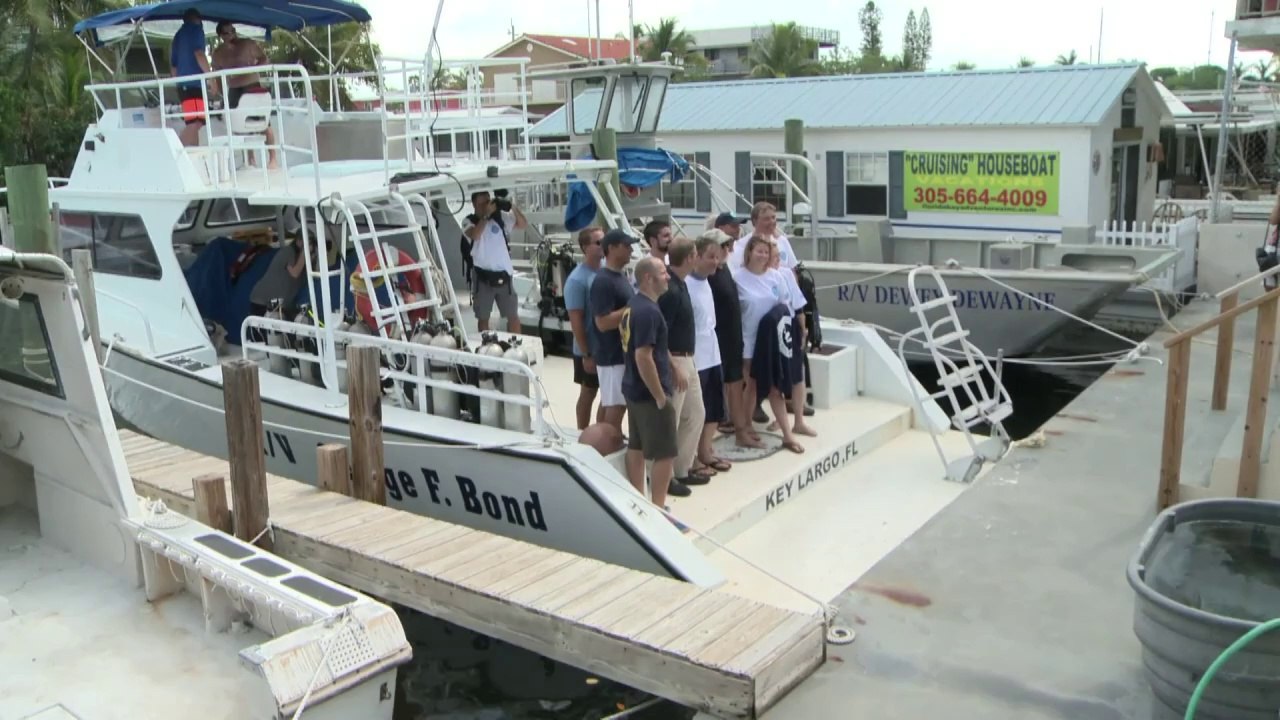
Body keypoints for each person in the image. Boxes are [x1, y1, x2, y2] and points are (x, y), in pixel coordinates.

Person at [734, 235, 804, 454]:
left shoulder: (776, 277)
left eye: (766, 252)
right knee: (752, 386)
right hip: (749, 340)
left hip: (773, 342)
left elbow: (785, 306)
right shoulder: (737, 277)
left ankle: (788, 435)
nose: (763, 255)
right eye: (759, 251)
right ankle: (745, 427)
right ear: (749, 252)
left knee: (776, 388)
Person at [621, 256, 678, 508]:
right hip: (648, 394)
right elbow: (643, 355)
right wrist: (660, 396)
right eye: (663, 272)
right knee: (665, 453)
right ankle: (658, 509)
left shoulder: (633, 305)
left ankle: (640, 504)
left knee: (637, 444)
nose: (668, 277)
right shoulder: (649, 312)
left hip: (632, 389)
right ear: (648, 278)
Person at [658, 237, 706, 496]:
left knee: (696, 413)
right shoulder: (671, 290)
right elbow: (660, 330)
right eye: (696, 254)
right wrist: (672, 365)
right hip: (676, 359)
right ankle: (664, 478)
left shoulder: (681, 285)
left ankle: (681, 469)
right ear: (689, 258)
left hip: (688, 357)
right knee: (672, 419)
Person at [688, 231, 731, 476]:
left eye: (718, 257)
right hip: (696, 358)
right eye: (710, 257)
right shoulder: (686, 285)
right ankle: (692, 456)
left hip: (713, 354)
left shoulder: (707, 282)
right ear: (696, 257)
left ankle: (706, 451)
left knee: (715, 408)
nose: (716, 262)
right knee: (696, 412)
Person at [211, 20, 279, 169]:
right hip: (234, 90)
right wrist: (222, 95)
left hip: (252, 86)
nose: (230, 35)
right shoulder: (218, 53)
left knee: (264, 124)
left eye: (232, 31)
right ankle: (251, 160)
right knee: (241, 125)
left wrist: (253, 69)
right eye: (226, 33)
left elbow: (264, 58)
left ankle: (273, 158)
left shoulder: (248, 44)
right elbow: (216, 74)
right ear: (220, 35)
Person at [589, 228, 637, 431]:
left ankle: (600, 441)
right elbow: (602, 322)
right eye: (626, 246)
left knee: (611, 402)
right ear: (612, 248)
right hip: (612, 356)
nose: (631, 250)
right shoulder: (603, 281)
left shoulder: (619, 277)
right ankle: (608, 443)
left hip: (620, 354)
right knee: (616, 406)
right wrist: (635, 308)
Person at [769, 240, 816, 437]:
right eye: (774, 256)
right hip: (771, 331)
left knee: (798, 376)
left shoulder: (787, 274)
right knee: (777, 379)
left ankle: (799, 421)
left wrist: (803, 331)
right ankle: (780, 420)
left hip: (790, 328)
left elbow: (798, 306)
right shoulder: (759, 277)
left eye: (779, 256)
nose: (777, 260)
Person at [462, 190, 526, 333]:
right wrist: (486, 216)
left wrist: (511, 206)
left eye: (488, 201)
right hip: (482, 277)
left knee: (513, 316)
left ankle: (516, 345)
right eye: (482, 203)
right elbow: (475, 235)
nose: (486, 205)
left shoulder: (500, 218)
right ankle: (486, 346)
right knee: (483, 317)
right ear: (474, 204)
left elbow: (522, 225)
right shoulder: (468, 221)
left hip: (504, 275)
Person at [707, 228, 749, 445]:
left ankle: (740, 427)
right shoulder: (710, 274)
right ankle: (739, 432)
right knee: (731, 383)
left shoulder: (724, 269)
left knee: (737, 381)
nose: (729, 248)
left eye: (729, 244)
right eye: (724, 245)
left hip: (733, 336)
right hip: (720, 338)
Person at [564, 226, 604, 430]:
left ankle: (602, 432)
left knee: (608, 395)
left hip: (607, 347)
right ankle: (582, 432)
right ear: (584, 248)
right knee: (588, 393)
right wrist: (587, 354)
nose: (603, 246)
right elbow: (576, 320)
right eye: (598, 242)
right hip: (588, 348)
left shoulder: (606, 270)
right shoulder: (577, 280)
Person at [170, 9, 217, 148]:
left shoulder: (178, 36)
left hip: (183, 85)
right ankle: (174, 151)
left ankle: (194, 157)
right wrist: (212, 78)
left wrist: (178, 84)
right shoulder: (196, 31)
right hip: (194, 84)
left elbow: (173, 65)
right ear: (197, 19)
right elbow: (199, 54)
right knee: (196, 122)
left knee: (193, 122)